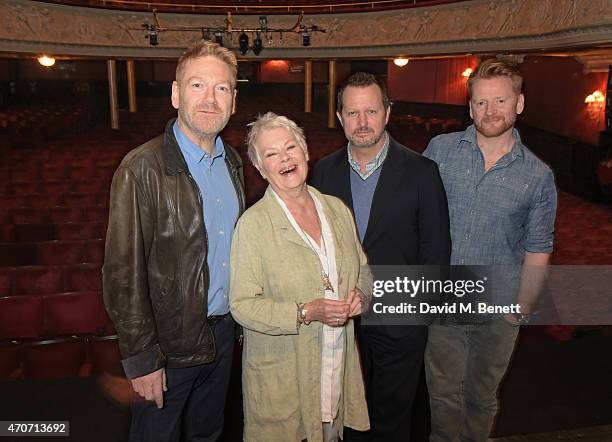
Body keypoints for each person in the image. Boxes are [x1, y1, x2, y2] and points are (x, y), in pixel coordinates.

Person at [102, 40, 245, 442]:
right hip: (167, 348)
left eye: (222, 89)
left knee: (209, 434)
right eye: (198, 85)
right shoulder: (140, 169)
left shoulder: (233, 163)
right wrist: (142, 357)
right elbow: (121, 273)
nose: (210, 99)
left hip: (222, 338)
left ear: (234, 101)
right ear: (176, 94)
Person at [310, 72, 451, 441]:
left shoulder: (423, 172)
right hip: (340, 324)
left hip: (399, 322)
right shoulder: (323, 173)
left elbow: (435, 254)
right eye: (352, 113)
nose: (362, 122)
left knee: (391, 422)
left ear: (387, 112)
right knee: (347, 416)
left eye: (371, 111)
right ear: (339, 116)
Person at [423, 58, 557, 441]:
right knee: (443, 396)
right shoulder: (440, 150)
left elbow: (538, 246)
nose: (490, 111)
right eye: (481, 102)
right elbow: (417, 219)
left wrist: (524, 306)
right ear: (469, 107)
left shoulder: (538, 175)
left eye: (500, 101)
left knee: (481, 397)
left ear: (519, 103)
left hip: (498, 307)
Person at [229, 112, 371, 442]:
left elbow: (363, 270)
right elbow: (242, 305)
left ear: (306, 152)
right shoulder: (253, 225)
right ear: (261, 169)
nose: (285, 159)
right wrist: (305, 312)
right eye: (271, 154)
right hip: (285, 377)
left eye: (290, 147)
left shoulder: (337, 209)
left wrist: (362, 296)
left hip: (335, 367)